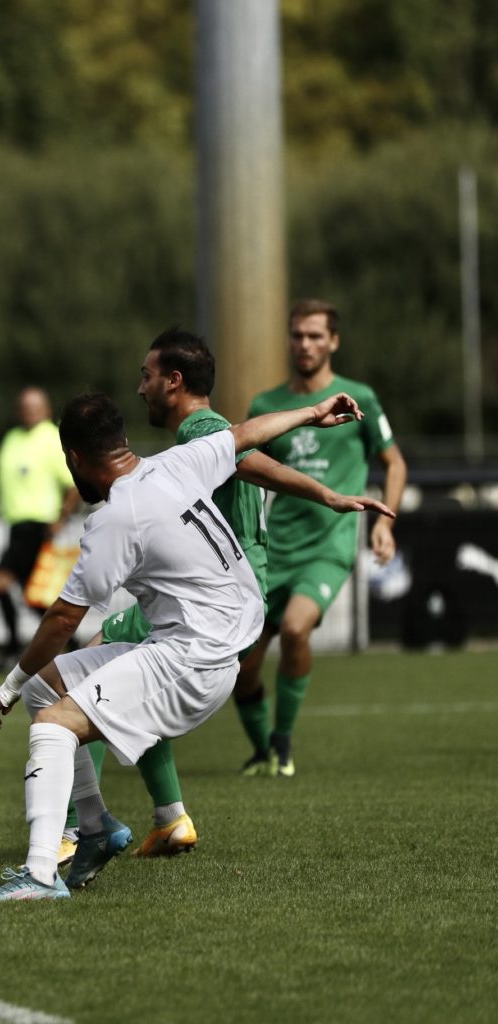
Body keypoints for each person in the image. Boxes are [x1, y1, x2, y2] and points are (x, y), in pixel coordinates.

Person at [0, 387, 367, 901]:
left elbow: (62, 618)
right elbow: (246, 434)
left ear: (73, 457)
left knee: (51, 724)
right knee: (44, 694)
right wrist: (312, 413)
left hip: (195, 656)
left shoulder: (117, 517)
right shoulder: (175, 462)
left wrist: (5, 686)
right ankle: (97, 831)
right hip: (203, 640)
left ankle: (40, 876)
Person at [62, 329, 395, 863]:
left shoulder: (200, 427)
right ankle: (169, 820)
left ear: (174, 382)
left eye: (147, 376)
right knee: (129, 680)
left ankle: (78, 829)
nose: (140, 387)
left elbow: (253, 461)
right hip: (233, 592)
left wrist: (327, 496)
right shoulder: (204, 431)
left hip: (219, 597)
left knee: (91, 666)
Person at [234, 299, 406, 777]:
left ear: (334, 341)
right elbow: (245, 468)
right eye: (297, 335)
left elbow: (394, 462)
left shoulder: (360, 398)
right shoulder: (266, 406)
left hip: (328, 548)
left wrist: (384, 523)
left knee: (294, 628)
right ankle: (261, 750)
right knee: (240, 667)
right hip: (272, 551)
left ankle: (283, 747)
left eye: (315, 335)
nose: (305, 344)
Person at [0, 386, 80, 670]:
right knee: (34, 595)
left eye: (34, 406)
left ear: (46, 409)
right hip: (16, 526)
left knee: (1, 583)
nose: (28, 412)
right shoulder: (13, 438)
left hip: (38, 526)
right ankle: (67, 642)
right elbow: (3, 479)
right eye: (24, 406)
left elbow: (72, 484)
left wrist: (61, 517)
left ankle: (13, 647)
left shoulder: (51, 439)